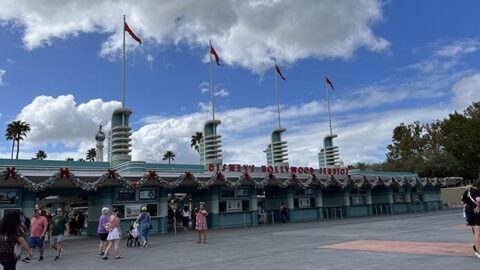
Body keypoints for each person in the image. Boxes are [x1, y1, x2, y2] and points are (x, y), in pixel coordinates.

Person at [461, 180, 480, 257]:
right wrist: (478, 207)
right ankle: (478, 251)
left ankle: (477, 250)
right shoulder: (478, 191)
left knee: (475, 233)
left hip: (469, 213)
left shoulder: (468, 191)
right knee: (478, 234)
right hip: (477, 213)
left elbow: (462, 201)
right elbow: (478, 200)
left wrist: (467, 204)